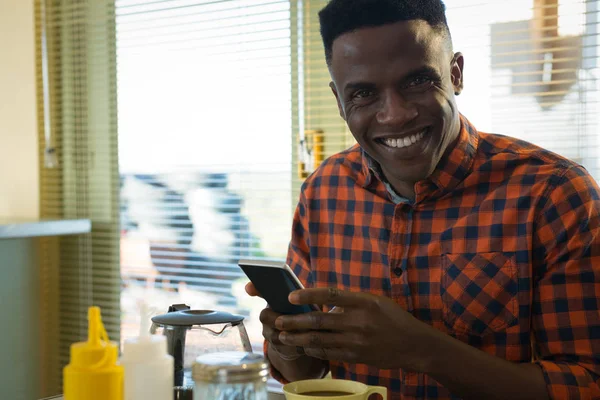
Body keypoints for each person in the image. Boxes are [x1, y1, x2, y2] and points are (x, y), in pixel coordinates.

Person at [245, 0, 600, 398]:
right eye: (363, 93)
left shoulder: (553, 195)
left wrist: (422, 351)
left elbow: (587, 384)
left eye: (416, 82)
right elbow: (304, 371)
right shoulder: (323, 192)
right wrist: (285, 340)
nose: (394, 115)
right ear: (339, 101)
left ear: (455, 74)